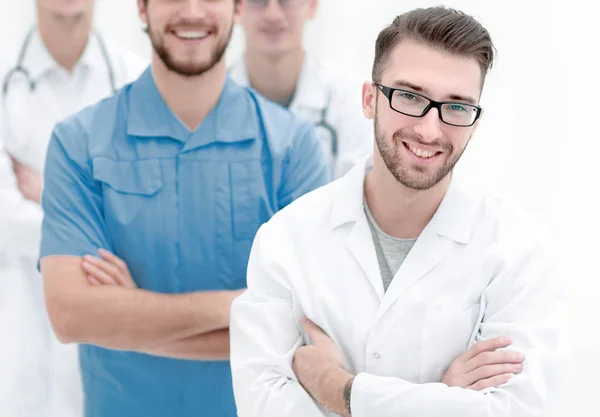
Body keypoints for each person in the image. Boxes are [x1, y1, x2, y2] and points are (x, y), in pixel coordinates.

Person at [230, 7, 570, 417]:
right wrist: (442, 397)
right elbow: (261, 404)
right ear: (370, 99)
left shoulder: (518, 252)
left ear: (475, 122)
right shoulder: (285, 240)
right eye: (410, 97)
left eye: (457, 107)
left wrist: (339, 390)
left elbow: (520, 410)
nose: (430, 130)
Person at [38, 0, 329, 416]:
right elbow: (70, 315)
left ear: (238, 8)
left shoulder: (290, 146)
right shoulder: (78, 143)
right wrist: (242, 307)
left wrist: (129, 316)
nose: (192, 11)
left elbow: (307, 328)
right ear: (142, 8)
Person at [0, 1, 146, 416]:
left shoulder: (138, 82)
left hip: (113, 339)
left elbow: (149, 221)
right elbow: (4, 221)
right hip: (17, 327)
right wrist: (97, 211)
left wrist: (48, 195)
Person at [229, 0, 372, 179]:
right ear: (236, 8)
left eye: (287, 1)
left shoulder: (354, 102)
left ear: (312, 5)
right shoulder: (210, 103)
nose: (273, 15)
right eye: (258, 1)